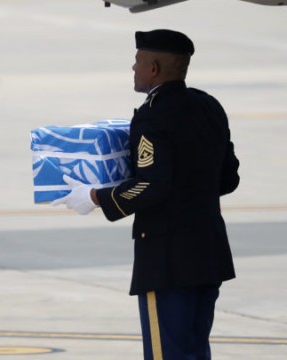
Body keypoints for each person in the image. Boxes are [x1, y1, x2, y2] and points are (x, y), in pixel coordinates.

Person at [53, 29, 240, 360]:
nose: (133, 68)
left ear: (153, 68)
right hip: (208, 253)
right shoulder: (208, 106)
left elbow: (152, 185)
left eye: (138, 61)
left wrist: (97, 196)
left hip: (168, 260)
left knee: (168, 353)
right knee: (196, 350)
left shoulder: (154, 115)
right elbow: (227, 179)